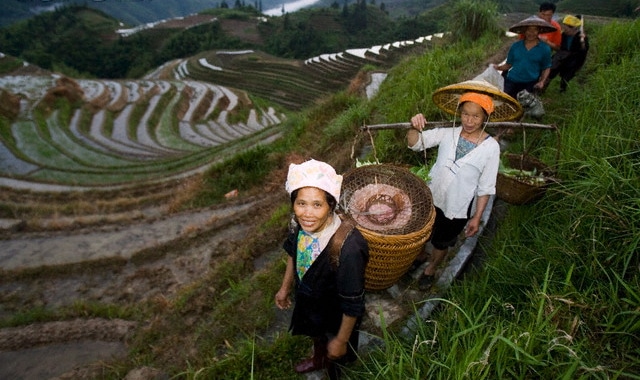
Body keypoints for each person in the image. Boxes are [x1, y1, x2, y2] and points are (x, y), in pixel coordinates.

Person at [407, 81, 521, 290]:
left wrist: (477, 217)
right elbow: (415, 143)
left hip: (457, 207)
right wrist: (414, 126)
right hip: (432, 196)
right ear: (459, 113)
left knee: (442, 242)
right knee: (423, 232)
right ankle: (421, 255)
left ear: (485, 117)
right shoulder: (447, 133)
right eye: (465, 114)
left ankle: (430, 269)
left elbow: (486, 186)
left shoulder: (491, 148)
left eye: (476, 116)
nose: (469, 120)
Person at [275, 159, 369, 379]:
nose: (307, 213)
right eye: (301, 203)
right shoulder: (301, 225)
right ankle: (318, 358)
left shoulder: (348, 248)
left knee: (336, 355)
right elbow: (293, 254)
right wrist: (285, 287)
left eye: (317, 205)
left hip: (335, 314)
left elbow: (353, 302)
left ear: (331, 206)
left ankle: (334, 369)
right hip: (310, 303)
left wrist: (341, 340)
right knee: (317, 336)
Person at [494, 16, 556, 99]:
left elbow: (546, 67)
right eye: (529, 29)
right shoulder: (515, 46)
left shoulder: (544, 49)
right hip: (511, 80)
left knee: (522, 106)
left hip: (529, 83)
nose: (531, 33)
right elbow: (508, 64)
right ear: (524, 31)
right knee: (504, 102)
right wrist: (497, 67)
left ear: (539, 31)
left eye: (535, 30)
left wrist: (542, 81)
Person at [546, 15, 589, 92]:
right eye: (564, 27)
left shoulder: (581, 37)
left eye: (567, 29)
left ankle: (562, 90)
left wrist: (582, 42)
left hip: (573, 60)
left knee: (565, 77)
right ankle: (542, 88)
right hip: (561, 56)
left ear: (574, 28)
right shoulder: (563, 35)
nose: (565, 30)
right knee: (551, 72)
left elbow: (584, 50)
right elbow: (558, 46)